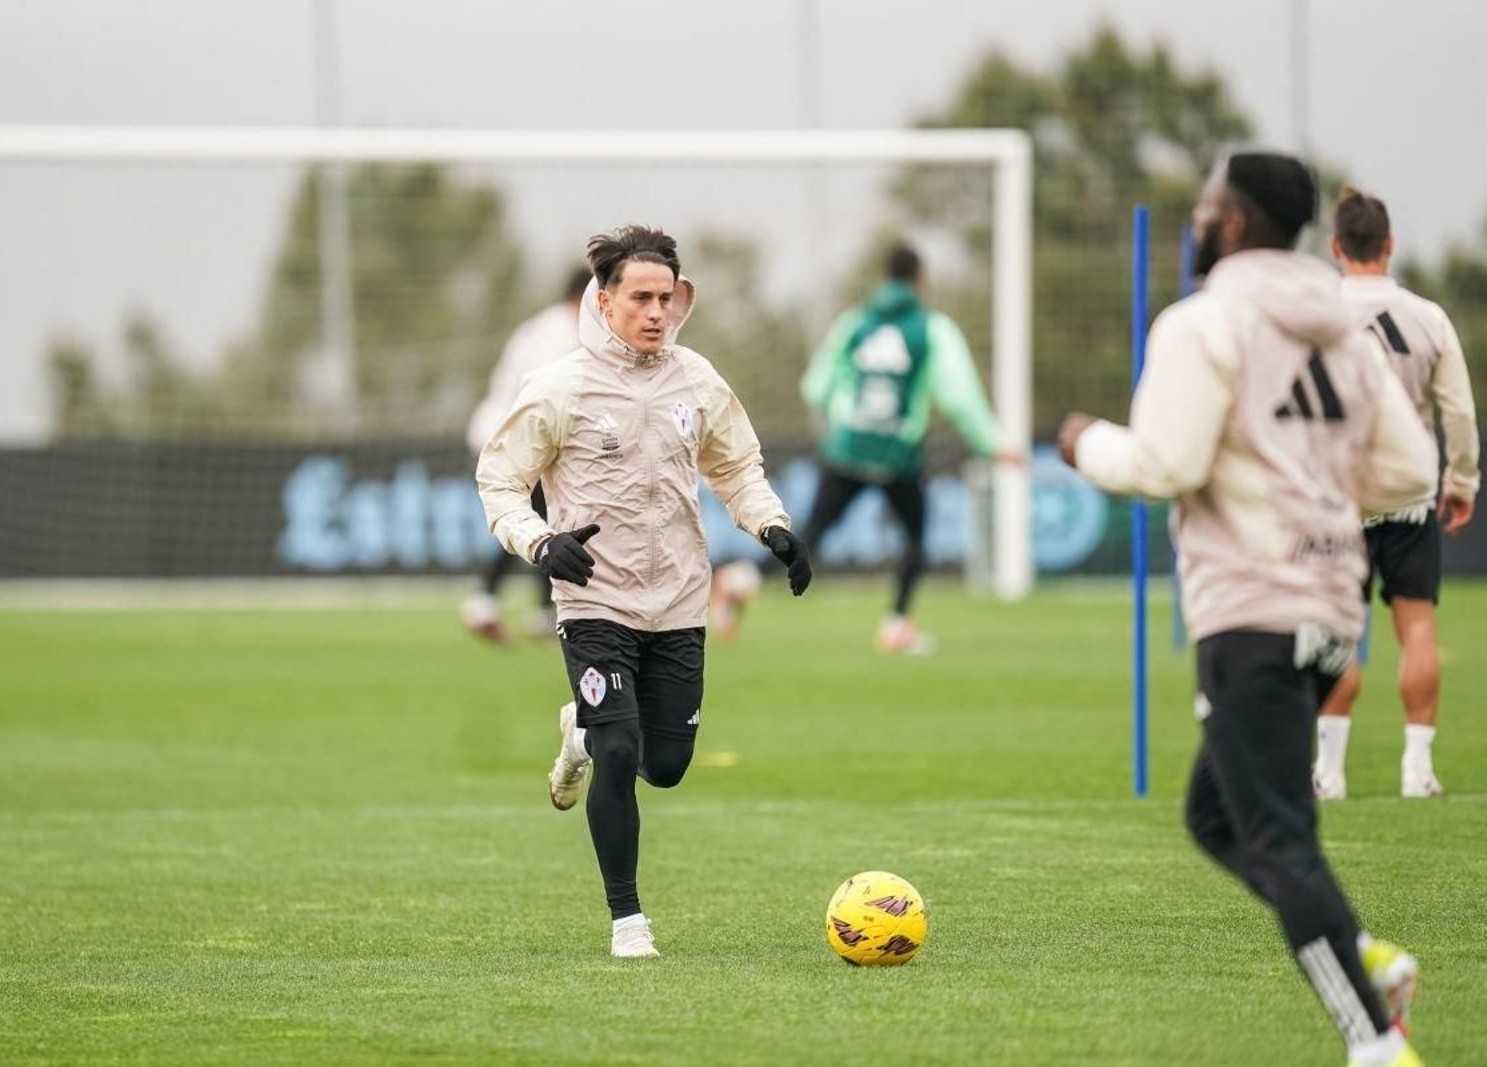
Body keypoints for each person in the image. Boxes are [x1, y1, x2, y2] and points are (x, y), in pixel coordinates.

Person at [1059, 152, 1436, 1067]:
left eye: (1206, 206)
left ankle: (1377, 1041)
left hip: (1251, 609)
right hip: (1328, 605)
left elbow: (1164, 464)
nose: (1196, 219)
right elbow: (1409, 471)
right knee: (1216, 817)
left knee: (1274, 832)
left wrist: (1084, 442)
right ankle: (1364, 961)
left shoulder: (1203, 322)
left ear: (1232, 223)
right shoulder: (1345, 330)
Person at [476, 225, 811, 958]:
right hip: (595, 600)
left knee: (665, 765)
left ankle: (579, 731)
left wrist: (773, 526)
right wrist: (539, 541)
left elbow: (737, 467)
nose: (656, 311)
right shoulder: (560, 386)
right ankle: (629, 919)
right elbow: (498, 480)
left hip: (681, 599)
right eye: (641, 297)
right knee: (622, 749)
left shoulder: (697, 379)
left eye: (666, 298)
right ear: (605, 301)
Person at [712, 242, 1017, 653]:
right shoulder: (933, 328)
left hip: (848, 450)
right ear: (921, 280)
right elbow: (959, 396)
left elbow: (815, 387)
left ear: (883, 280)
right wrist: (994, 444)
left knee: (811, 536)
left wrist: (848, 417)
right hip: (897, 454)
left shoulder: (854, 323)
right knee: (915, 537)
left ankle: (739, 579)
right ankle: (897, 624)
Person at [1311, 188, 1480, 801]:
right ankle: (1418, 771)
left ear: (1336, 247)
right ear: (1390, 246)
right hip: (1408, 494)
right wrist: (1460, 482)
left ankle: (1328, 773)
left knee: (1335, 629)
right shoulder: (1427, 316)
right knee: (1418, 628)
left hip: (1336, 496)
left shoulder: (1315, 313)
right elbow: (1457, 412)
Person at [461, 266, 592, 643]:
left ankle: (523, 608)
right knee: (544, 517)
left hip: (496, 426)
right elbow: (543, 390)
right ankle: (504, 604)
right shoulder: (567, 332)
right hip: (517, 433)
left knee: (541, 517)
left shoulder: (538, 326)